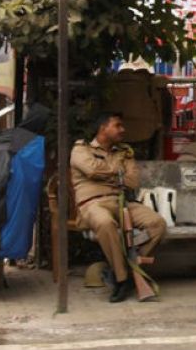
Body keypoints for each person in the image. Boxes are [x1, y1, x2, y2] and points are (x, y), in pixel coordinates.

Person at [70, 112, 167, 303]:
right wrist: (117, 172)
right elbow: (92, 170)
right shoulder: (81, 149)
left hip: (121, 201)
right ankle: (122, 280)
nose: (122, 130)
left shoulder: (124, 152)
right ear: (103, 128)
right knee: (105, 223)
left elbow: (132, 181)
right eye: (118, 125)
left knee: (157, 224)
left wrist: (105, 173)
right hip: (92, 203)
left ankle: (125, 270)